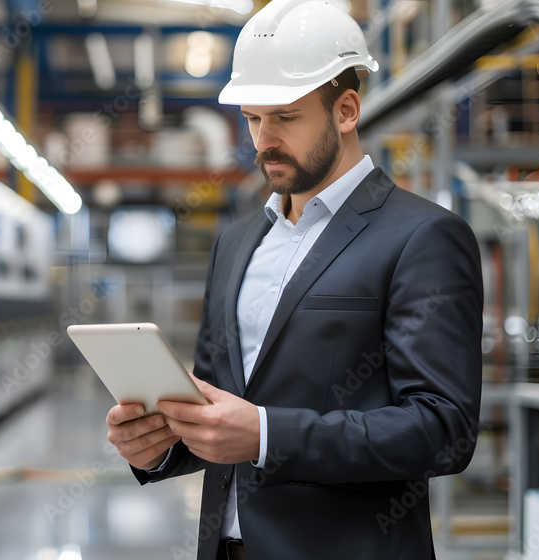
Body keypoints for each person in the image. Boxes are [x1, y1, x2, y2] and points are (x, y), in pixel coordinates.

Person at [105, 0, 483, 558]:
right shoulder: (235, 244)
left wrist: (266, 435)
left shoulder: (423, 237)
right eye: (254, 119)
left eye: (284, 117)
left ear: (346, 111)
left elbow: (443, 429)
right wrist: (158, 445)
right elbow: (220, 405)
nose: (264, 140)